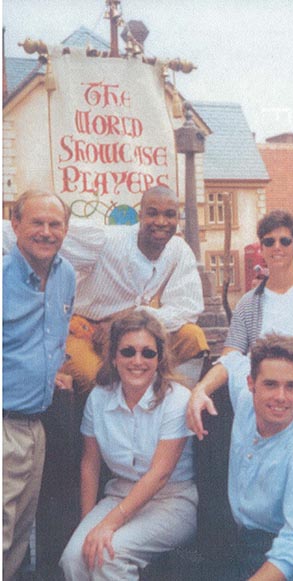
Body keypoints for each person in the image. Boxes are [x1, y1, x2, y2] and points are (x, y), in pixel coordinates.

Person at [4, 185, 208, 391]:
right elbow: (21, 234)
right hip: (84, 329)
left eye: (170, 215)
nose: (161, 222)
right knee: (97, 379)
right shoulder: (105, 240)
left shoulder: (179, 250)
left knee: (193, 338)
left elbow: (187, 308)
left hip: (133, 330)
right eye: (152, 214)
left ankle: (176, 405)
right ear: (140, 215)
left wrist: (130, 318)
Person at [59, 311, 197, 580]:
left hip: (171, 500)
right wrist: (88, 525)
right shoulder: (99, 398)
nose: (137, 361)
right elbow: (90, 464)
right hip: (119, 494)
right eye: (128, 352)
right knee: (74, 558)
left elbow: (160, 475)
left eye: (148, 353)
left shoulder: (177, 399)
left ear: (159, 358)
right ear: (113, 357)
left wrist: (108, 525)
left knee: (108, 556)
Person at [190, 334, 293, 579]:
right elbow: (232, 360)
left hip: (288, 558)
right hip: (240, 541)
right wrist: (199, 391)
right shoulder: (247, 402)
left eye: (291, 386)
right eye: (270, 384)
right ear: (251, 384)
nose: (280, 396)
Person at [191, 210, 293, 427]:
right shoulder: (248, 303)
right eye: (269, 242)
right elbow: (231, 358)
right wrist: (201, 389)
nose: (277, 247)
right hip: (262, 395)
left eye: (285, 241)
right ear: (262, 247)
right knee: (252, 415)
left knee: (284, 421)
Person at [3, 190, 76, 581]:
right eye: (37, 222)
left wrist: (51, 372)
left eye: (55, 224)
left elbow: (51, 337)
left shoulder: (66, 274)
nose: (47, 232)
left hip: (36, 426)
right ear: (15, 225)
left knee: (17, 538)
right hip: (4, 424)